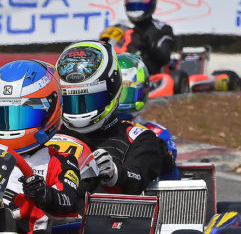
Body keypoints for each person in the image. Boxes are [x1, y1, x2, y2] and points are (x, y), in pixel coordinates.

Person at [0, 59, 81, 234]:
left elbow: (69, 202)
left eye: (22, 116)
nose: (10, 128)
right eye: (2, 117)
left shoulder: (61, 161)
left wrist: (42, 193)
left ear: (49, 112)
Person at [56, 40, 171, 195]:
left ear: (111, 91)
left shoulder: (139, 138)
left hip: (107, 216)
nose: (79, 110)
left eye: (89, 100)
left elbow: (137, 177)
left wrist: (115, 175)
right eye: (71, 101)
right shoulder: (52, 138)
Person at [116, 52, 179, 180]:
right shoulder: (92, 132)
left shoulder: (159, 134)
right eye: (118, 94)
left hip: (147, 195)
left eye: (127, 93)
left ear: (144, 90)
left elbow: (171, 180)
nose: (122, 100)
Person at [121, 0, 174, 75]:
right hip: (118, 73)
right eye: (133, 6)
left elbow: (165, 58)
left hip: (147, 75)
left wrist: (149, 45)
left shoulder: (162, 29)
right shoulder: (120, 27)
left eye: (139, 6)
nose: (136, 9)